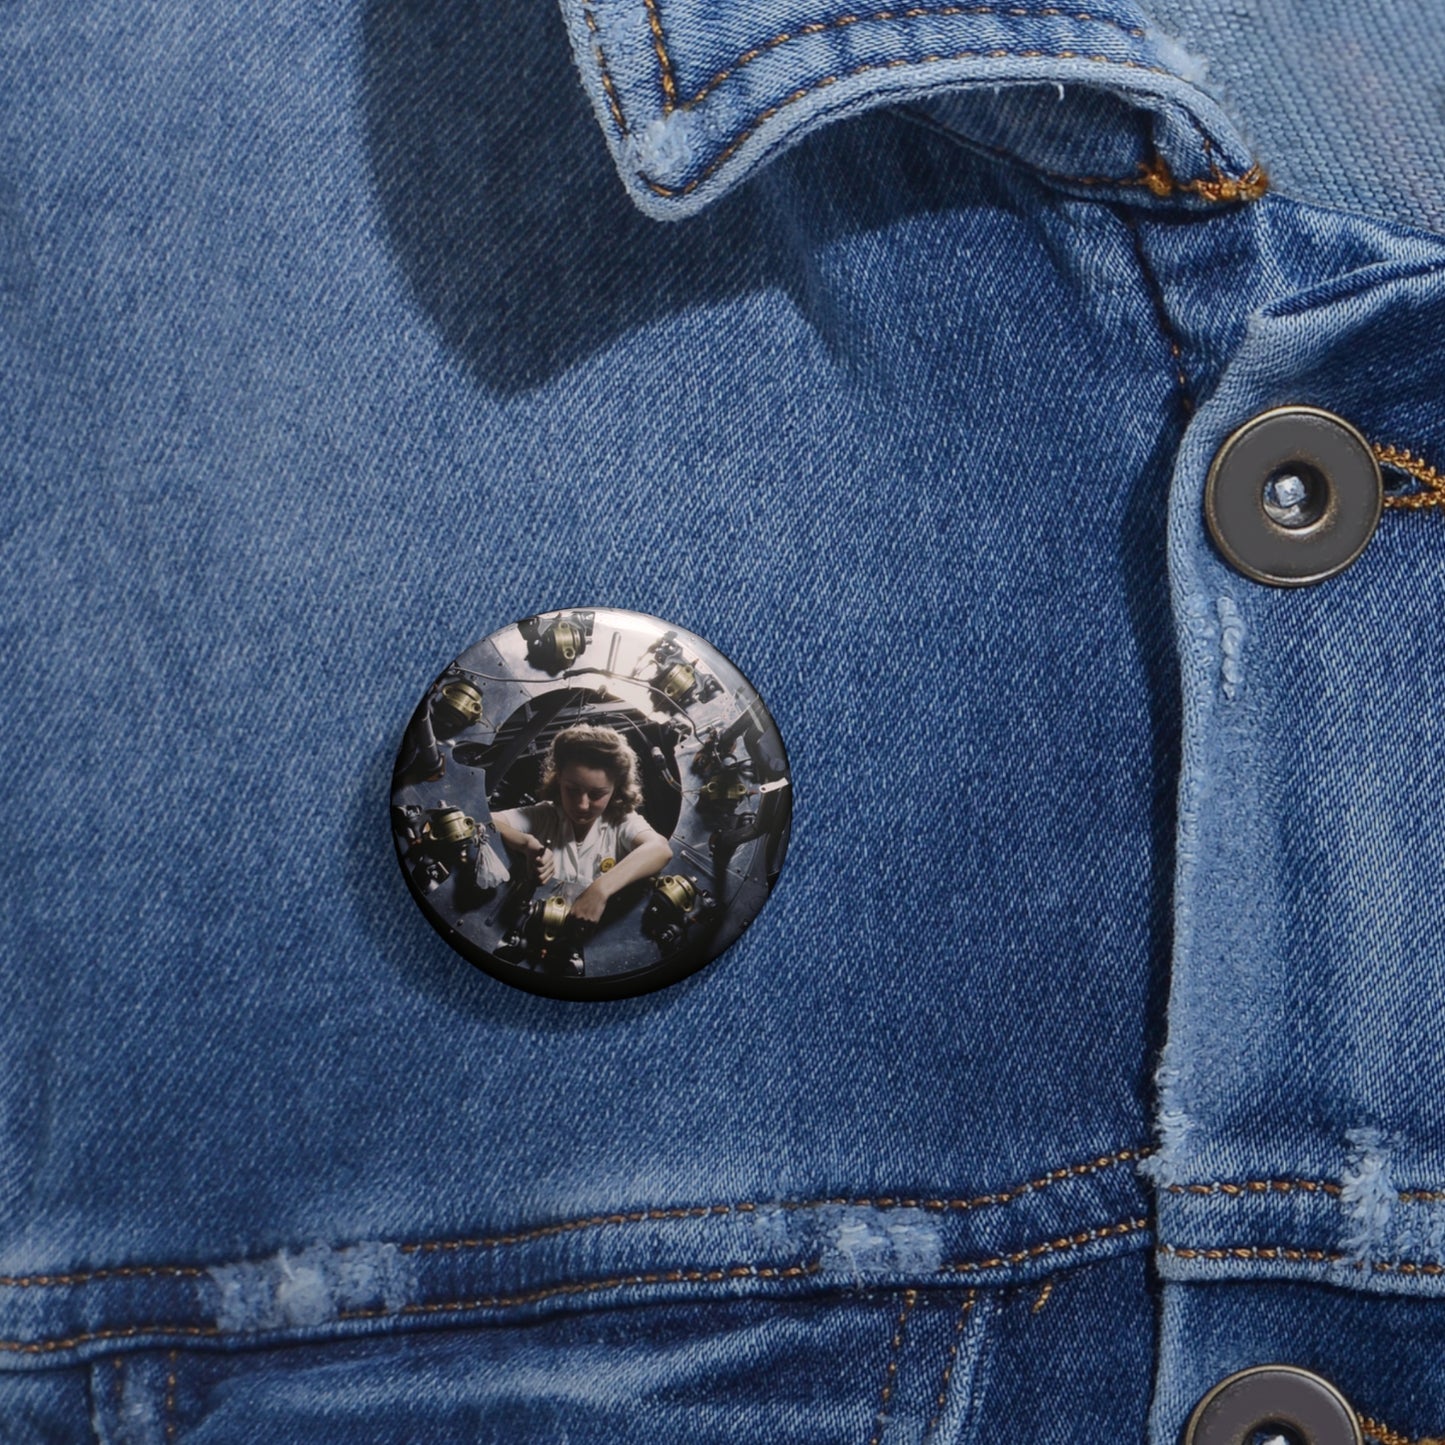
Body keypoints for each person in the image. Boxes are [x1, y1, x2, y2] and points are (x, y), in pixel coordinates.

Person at [491, 724, 673, 925]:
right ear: (559, 778)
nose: (582, 805)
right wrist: (526, 843)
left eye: (596, 795)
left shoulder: (621, 821)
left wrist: (599, 891)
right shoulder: (543, 815)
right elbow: (485, 821)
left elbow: (660, 849)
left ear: (616, 788)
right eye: (572, 790)